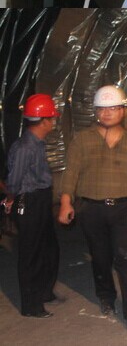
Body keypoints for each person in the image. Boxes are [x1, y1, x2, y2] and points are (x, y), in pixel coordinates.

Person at [58, 85, 127, 330]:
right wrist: (66, 202)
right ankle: (106, 296)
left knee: (126, 258)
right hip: (92, 209)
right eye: (103, 109)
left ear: (122, 111)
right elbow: (71, 173)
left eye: (114, 108)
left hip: (125, 209)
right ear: (96, 111)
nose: (108, 113)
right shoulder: (82, 140)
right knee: (100, 257)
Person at [3, 95, 60, 318]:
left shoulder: (36, 143)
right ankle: (31, 305)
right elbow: (14, 182)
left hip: (40, 199)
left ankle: (44, 292)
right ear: (43, 121)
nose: (53, 123)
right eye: (51, 118)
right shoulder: (25, 148)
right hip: (28, 201)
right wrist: (10, 200)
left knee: (49, 249)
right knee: (31, 254)